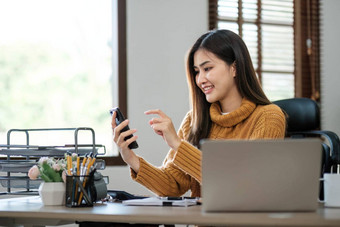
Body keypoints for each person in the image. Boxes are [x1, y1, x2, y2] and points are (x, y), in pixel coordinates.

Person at [111, 29, 286, 198]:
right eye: (196, 71)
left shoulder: (268, 117)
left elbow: (242, 185)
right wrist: (130, 158)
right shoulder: (194, 120)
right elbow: (171, 186)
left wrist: (179, 145)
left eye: (207, 68)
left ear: (234, 68)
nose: (200, 79)